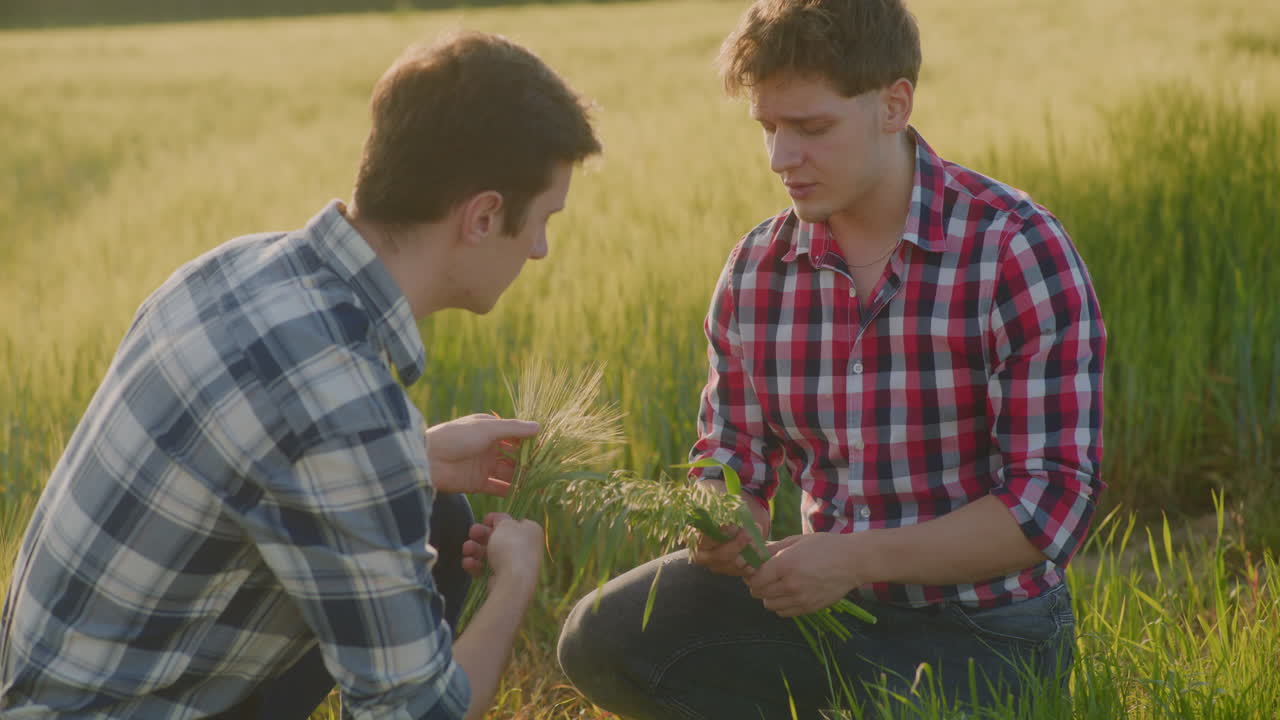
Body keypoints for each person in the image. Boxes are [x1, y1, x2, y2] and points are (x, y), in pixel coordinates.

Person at [1, 31, 600, 720]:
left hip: (36, 682)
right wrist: (515, 579)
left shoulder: (231, 267)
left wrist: (415, 458)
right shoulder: (343, 403)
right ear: (484, 215)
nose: (542, 250)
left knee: (434, 511)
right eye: (542, 222)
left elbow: (259, 449)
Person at [558, 0, 1105, 716]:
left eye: (811, 128)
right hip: (818, 613)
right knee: (600, 638)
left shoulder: (1015, 250)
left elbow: (1050, 506)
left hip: (985, 627)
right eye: (769, 128)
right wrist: (728, 516)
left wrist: (853, 558)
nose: (782, 158)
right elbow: (731, 454)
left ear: (893, 105)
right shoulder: (757, 269)